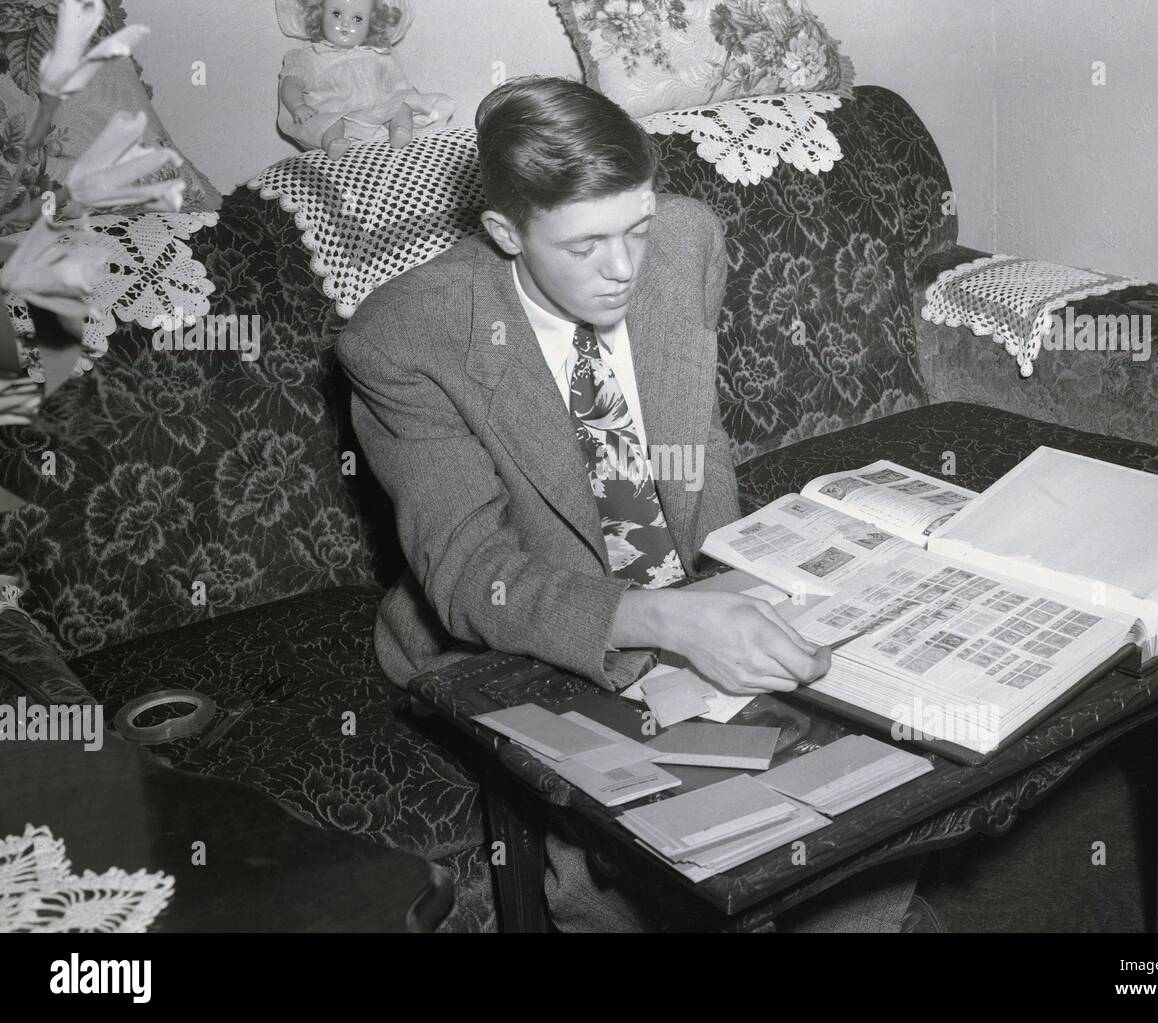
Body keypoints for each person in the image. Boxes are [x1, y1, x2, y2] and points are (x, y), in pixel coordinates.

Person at [337, 75, 927, 931]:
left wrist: (734, 584)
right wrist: (668, 624)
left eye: (636, 227)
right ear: (506, 232)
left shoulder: (686, 241)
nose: (624, 269)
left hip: (686, 587)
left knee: (881, 776)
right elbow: (473, 575)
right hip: (513, 630)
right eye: (584, 246)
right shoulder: (406, 337)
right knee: (641, 852)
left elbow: (694, 450)